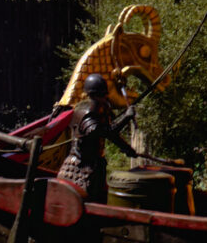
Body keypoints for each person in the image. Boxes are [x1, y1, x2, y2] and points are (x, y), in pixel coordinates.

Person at [56, 71, 143, 206]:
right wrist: (126, 117)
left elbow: (111, 133)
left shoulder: (97, 108)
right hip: (82, 168)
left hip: (94, 166)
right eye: (103, 95)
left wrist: (127, 149)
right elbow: (102, 132)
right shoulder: (88, 110)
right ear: (97, 95)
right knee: (87, 206)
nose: (106, 98)